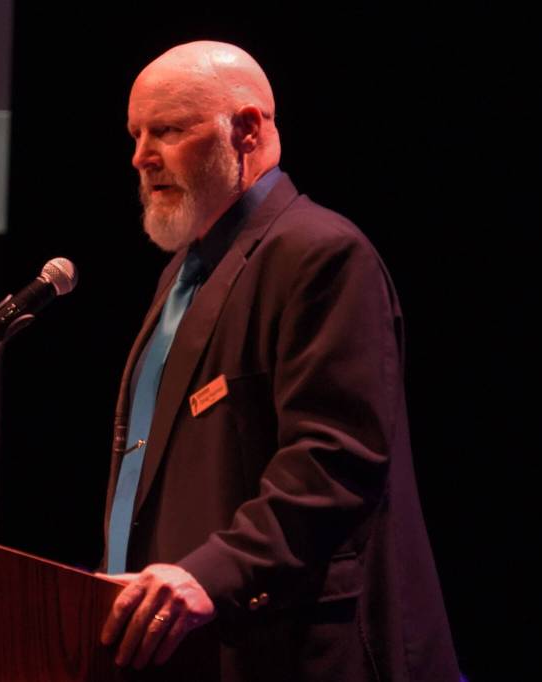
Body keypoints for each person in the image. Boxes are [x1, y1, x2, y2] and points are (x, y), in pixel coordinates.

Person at [97, 41, 459, 680]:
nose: (140, 155)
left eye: (169, 130)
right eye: (136, 133)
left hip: (293, 650)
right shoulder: (182, 275)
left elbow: (333, 461)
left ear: (245, 130)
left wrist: (206, 574)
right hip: (183, 651)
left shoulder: (320, 254)